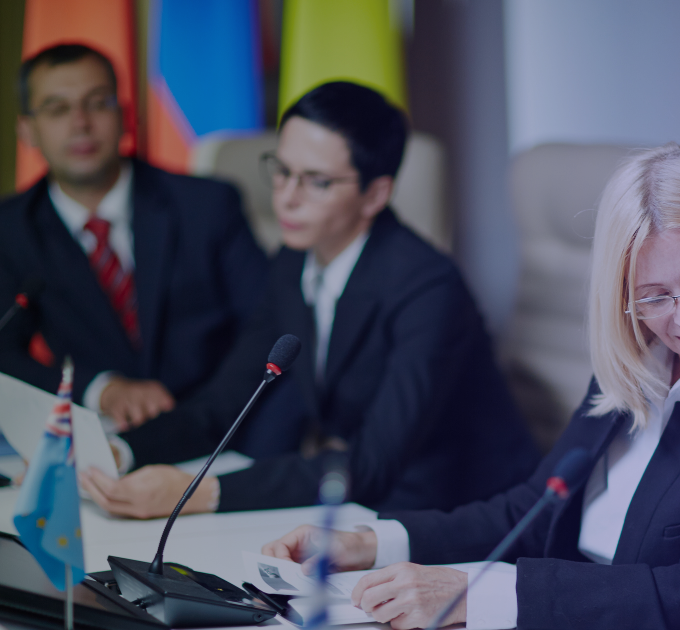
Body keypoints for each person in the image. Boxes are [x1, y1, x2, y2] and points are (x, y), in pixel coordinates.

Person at [261, 142, 680, 630]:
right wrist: (368, 544)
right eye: (653, 295)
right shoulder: (640, 358)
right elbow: (531, 511)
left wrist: (476, 594)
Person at [80, 81, 539, 517]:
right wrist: (120, 451)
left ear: (375, 194)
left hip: (459, 515)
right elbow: (224, 402)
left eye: (316, 182)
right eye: (282, 171)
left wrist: (199, 492)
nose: (285, 198)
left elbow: (372, 463)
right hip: (364, 502)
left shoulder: (429, 288)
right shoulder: (292, 261)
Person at [0, 43, 268, 431]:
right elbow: (3, 353)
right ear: (27, 130)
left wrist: (205, 420)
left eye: (98, 103)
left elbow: (265, 325)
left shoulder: (206, 205)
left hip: (222, 425)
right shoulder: (11, 229)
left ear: (125, 115)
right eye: (58, 109)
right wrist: (99, 389)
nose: (81, 123)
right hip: (99, 433)